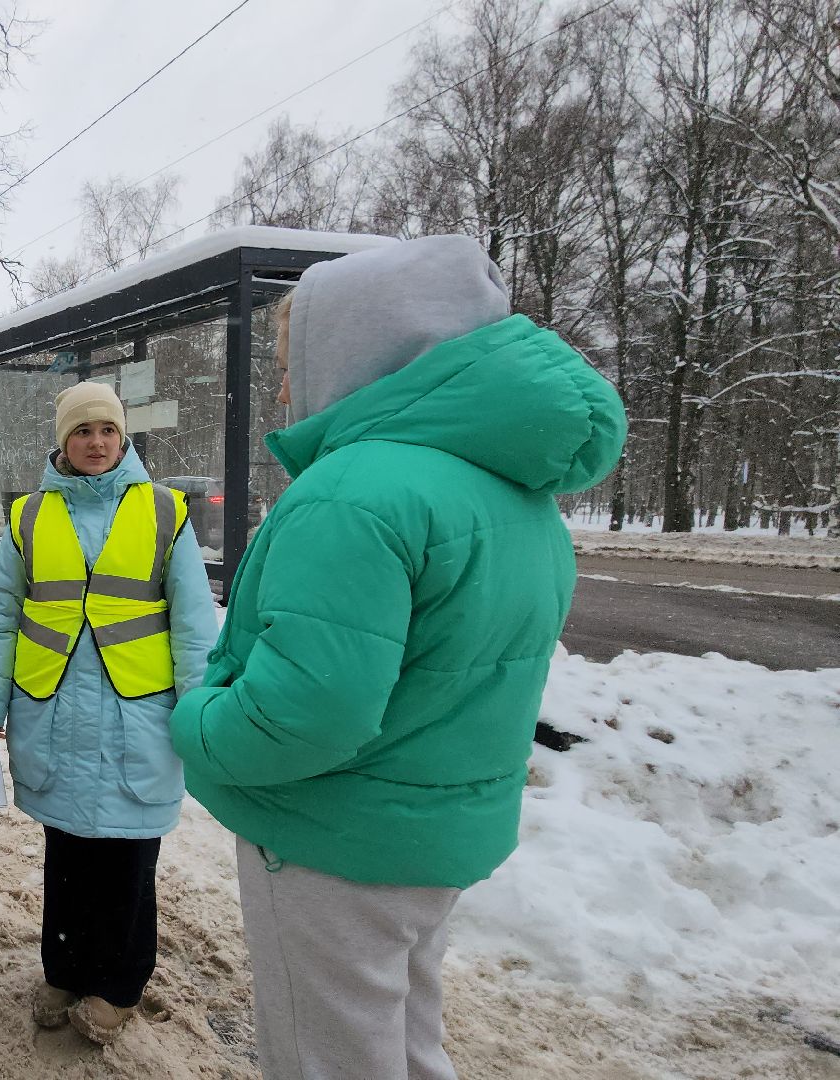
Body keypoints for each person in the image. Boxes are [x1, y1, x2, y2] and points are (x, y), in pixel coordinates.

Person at [169, 235, 627, 1080]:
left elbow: (304, 714)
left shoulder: (354, 492)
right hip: (434, 833)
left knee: (328, 1058)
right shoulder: (516, 497)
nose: (280, 386)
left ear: (358, 351)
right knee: (408, 1045)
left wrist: (195, 718)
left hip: (333, 841)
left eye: (289, 359)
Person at [0, 383, 215, 1045]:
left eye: (107, 430)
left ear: (123, 436)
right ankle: (67, 967)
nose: (96, 442)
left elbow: (193, 623)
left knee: (128, 861)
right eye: (83, 432)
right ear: (63, 440)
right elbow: (0, 623)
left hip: (139, 717)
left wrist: (198, 707)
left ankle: (119, 982)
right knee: (67, 853)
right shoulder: (29, 516)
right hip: (54, 715)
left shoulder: (165, 511)